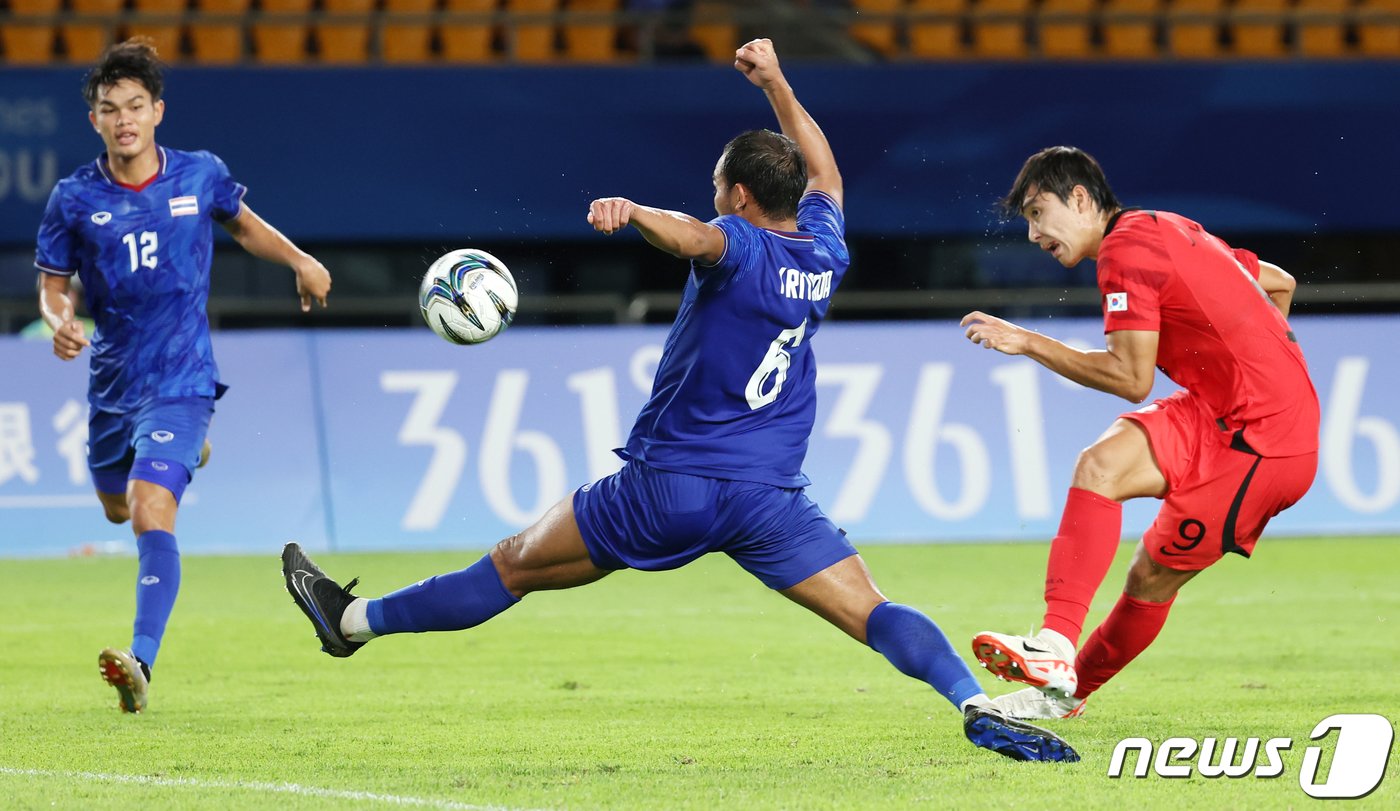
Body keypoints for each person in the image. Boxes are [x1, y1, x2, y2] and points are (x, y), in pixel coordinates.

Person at [283, 39, 1078, 763]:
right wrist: (777, 83)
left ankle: (348, 622)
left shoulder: (736, 241)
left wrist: (634, 215)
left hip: (672, 486)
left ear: (734, 194)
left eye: (714, 194)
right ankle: (972, 703)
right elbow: (826, 173)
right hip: (766, 497)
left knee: (513, 565)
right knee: (873, 611)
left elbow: (694, 238)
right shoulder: (826, 248)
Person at [961, 146, 1319, 720]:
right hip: (1225, 412)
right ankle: (1054, 648)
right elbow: (1279, 281)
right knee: (1099, 465)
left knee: (1150, 579)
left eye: (1036, 212)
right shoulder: (1165, 226)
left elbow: (1131, 378)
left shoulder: (1125, 251)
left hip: (1264, 444)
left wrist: (1026, 341)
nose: (1032, 234)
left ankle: (1066, 696)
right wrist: (1261, 361)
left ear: (1080, 198)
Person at [35, 38, 332, 714]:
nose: (124, 119)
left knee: (148, 509)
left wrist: (299, 259)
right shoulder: (75, 197)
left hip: (183, 375)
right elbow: (55, 285)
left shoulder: (199, 175)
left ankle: (140, 659)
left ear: (158, 111)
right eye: (109, 109)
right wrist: (59, 318)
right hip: (114, 381)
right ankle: (187, 452)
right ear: (95, 121)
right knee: (115, 506)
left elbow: (246, 226)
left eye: (135, 105)